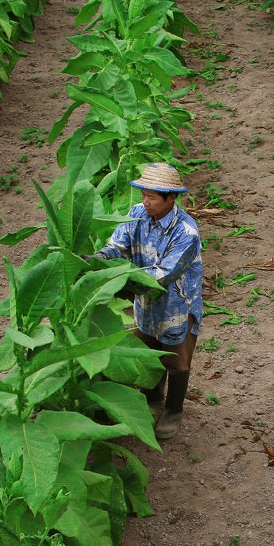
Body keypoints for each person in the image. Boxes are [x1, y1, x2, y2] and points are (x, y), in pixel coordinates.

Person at [93, 163, 203, 440]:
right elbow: (117, 246)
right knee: (146, 349)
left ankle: (174, 410)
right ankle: (154, 396)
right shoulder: (137, 215)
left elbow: (162, 275)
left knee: (176, 361)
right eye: (143, 194)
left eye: (152, 197)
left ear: (171, 198)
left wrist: (119, 280)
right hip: (146, 302)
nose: (145, 201)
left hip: (176, 304)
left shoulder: (186, 233)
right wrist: (97, 261)